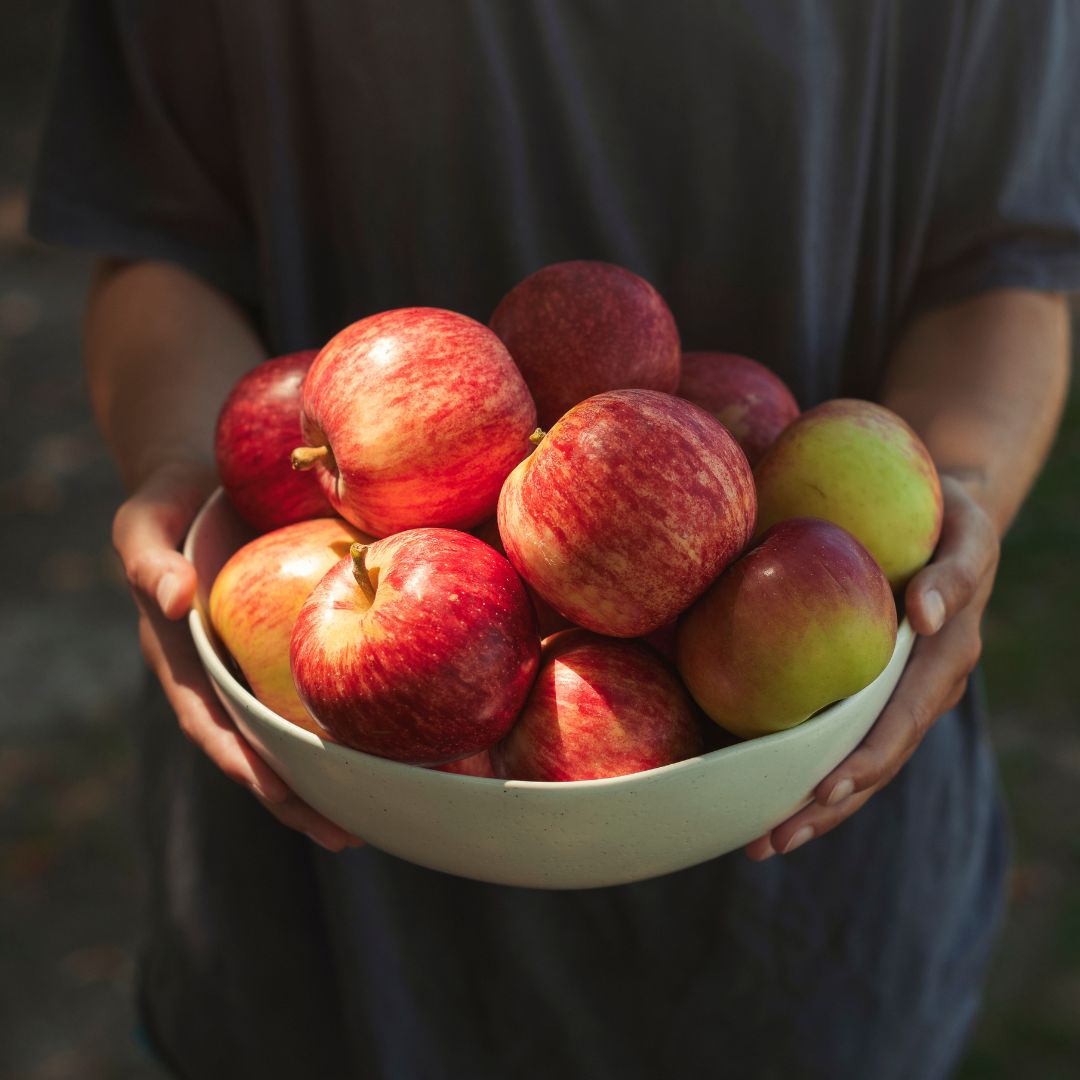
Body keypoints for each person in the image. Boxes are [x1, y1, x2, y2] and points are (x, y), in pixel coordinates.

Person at [30, 2, 1080, 1077]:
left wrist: (965, 490)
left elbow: (1002, 263)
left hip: (810, 870)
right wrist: (177, 466)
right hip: (324, 861)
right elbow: (159, 236)